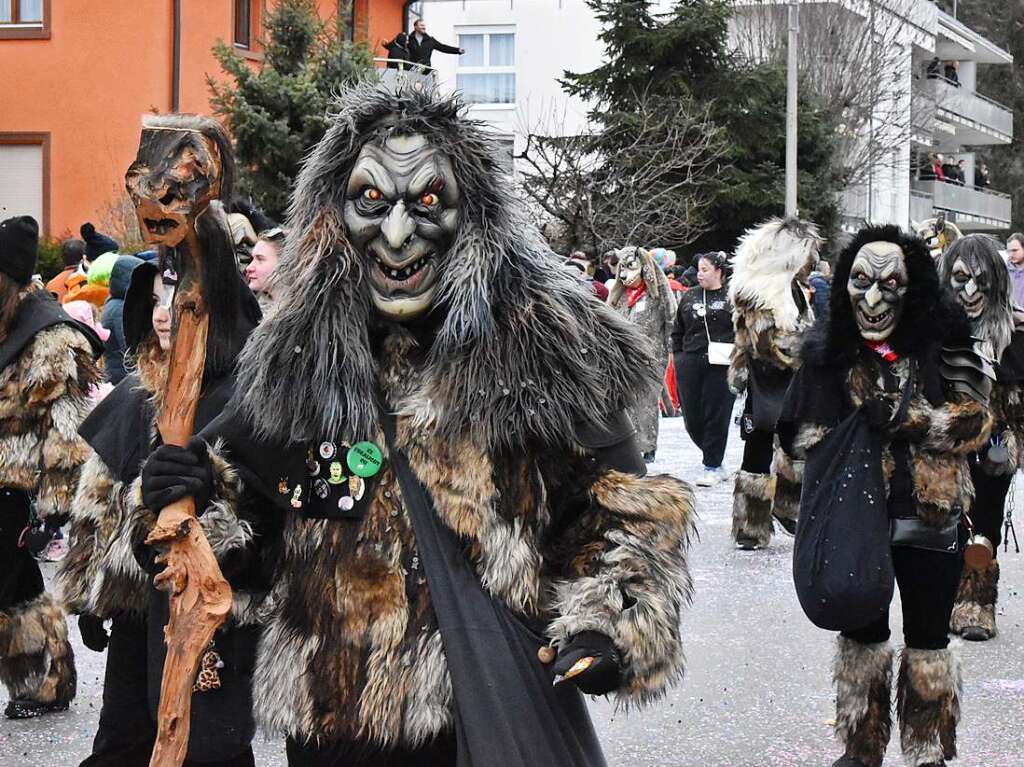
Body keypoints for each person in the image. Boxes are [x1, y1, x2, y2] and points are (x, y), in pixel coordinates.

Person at [145, 81, 696, 766]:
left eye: (428, 201)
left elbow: (621, 518)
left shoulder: (548, 349)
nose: (398, 234)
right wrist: (191, 499)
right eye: (372, 202)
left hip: (479, 712)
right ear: (333, 217)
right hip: (332, 723)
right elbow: (254, 528)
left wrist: (608, 626)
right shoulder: (298, 358)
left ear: (474, 216)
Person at [58, 113, 269, 767]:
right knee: (124, 741)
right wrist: (95, 586)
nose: (164, 309)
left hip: (216, 619)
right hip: (139, 612)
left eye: (179, 294)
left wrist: (214, 495)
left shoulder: (250, 398)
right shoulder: (136, 396)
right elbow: (100, 499)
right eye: (158, 294)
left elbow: (275, 519)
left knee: (204, 748)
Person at [777, 225, 992, 767]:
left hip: (930, 516)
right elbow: (796, 435)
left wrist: (909, 418)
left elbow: (977, 422)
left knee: (928, 640)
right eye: (861, 282)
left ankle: (925, 751)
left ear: (913, 287)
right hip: (856, 521)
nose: (873, 300)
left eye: (890, 284)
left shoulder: (943, 344)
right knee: (863, 635)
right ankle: (861, 748)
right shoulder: (826, 353)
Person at [0, 215, 102, 720]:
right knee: (17, 588)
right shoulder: (8, 324)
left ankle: (45, 680)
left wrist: (54, 510)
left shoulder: (52, 338)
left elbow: (68, 432)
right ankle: (46, 681)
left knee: (12, 586)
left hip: (18, 487)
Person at [939, 234, 1024, 641]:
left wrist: (1010, 437)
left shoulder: (1015, 331)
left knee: (985, 517)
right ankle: (939, 597)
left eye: (979, 280)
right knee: (943, 517)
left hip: (994, 443)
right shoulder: (932, 332)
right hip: (944, 443)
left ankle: (976, 602)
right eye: (960, 279)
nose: (970, 291)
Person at [729, 217, 821, 549]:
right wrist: (810, 347)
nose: (812, 263)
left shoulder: (793, 288)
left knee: (797, 445)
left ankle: (788, 508)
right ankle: (751, 526)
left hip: (794, 383)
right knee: (757, 450)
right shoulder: (758, 290)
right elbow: (766, 343)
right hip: (765, 382)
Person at [608, 246, 677, 461]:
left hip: (651, 357)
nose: (625, 274)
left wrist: (671, 350)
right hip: (622, 359)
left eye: (631, 267)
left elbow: (670, 322)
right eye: (622, 268)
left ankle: (647, 444)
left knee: (646, 401)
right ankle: (625, 444)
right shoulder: (619, 299)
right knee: (623, 401)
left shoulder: (656, 297)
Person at [672, 251, 735, 486]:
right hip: (690, 362)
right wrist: (678, 356)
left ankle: (712, 464)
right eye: (698, 269)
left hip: (721, 364)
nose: (700, 274)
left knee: (716, 415)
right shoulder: (689, 296)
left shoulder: (732, 296)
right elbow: (677, 329)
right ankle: (714, 455)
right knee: (693, 419)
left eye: (705, 269)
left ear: (719, 271)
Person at [100, 254, 144, 384]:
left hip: (121, 376)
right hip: (123, 380)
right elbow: (130, 349)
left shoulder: (116, 303)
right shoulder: (120, 309)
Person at [244, 226, 286, 312]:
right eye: (252, 259)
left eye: (260, 259)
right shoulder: (252, 311)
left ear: (285, 263)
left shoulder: (308, 319)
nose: (249, 268)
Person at [1006, 233, 1024, 308]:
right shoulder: (1003, 272)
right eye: (1009, 251)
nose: (1011, 255)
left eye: (1014, 250)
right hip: (1007, 318)